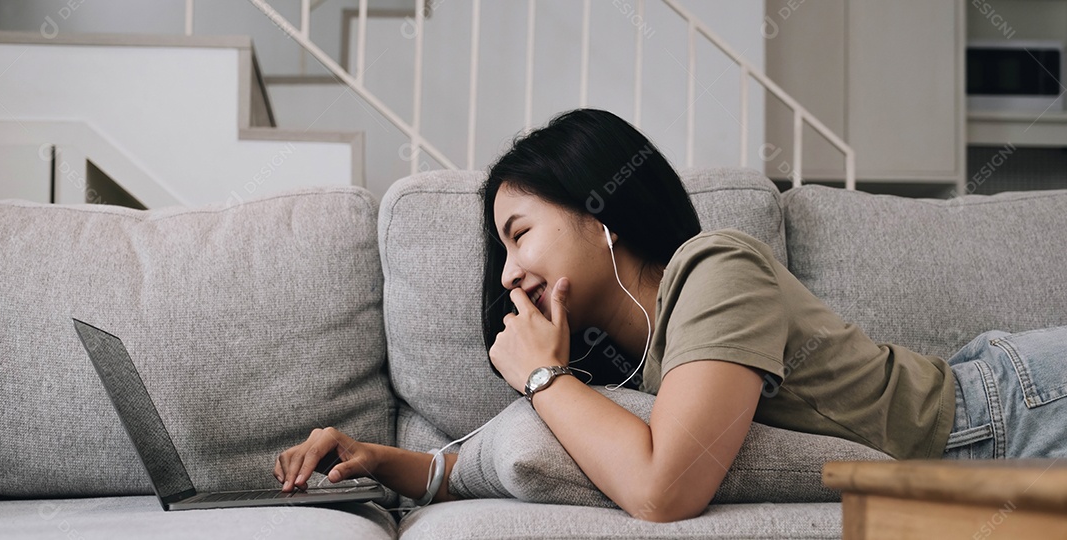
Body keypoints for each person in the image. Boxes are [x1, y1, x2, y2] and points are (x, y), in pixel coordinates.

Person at [273, 108, 1067, 522]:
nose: (508, 272)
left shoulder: (716, 270)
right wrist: (375, 458)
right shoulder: (633, 359)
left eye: (518, 235)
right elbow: (472, 460)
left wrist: (543, 376)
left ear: (600, 212)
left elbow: (664, 491)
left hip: (1019, 408)